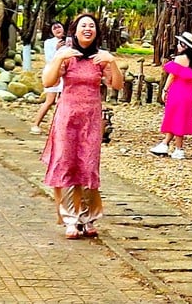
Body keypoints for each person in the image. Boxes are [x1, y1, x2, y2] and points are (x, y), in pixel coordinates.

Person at [40, 13, 124, 239]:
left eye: (92, 26)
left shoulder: (101, 58)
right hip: (67, 117)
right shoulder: (67, 55)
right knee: (67, 164)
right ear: (75, 31)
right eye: (83, 25)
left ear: (96, 31)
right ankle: (70, 219)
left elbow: (116, 85)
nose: (88, 29)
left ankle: (88, 218)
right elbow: (48, 82)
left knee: (88, 165)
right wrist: (59, 58)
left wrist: (112, 61)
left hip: (91, 119)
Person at [150, 31, 192, 159]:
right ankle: (165, 144)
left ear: (184, 46)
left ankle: (179, 149)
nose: (177, 46)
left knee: (176, 119)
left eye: (180, 44)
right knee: (178, 118)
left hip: (177, 92)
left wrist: (165, 90)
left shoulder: (179, 59)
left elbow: (172, 75)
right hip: (189, 93)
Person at [30, 21, 66, 134]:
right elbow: (49, 59)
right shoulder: (49, 42)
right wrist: (56, 49)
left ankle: (58, 127)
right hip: (53, 72)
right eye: (54, 28)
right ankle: (36, 124)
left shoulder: (70, 41)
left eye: (59, 27)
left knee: (63, 102)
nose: (57, 29)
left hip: (67, 73)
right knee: (49, 101)